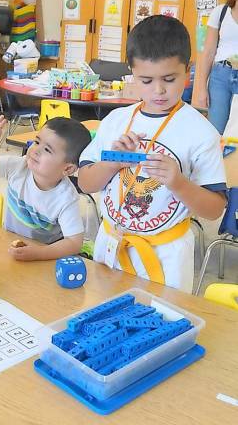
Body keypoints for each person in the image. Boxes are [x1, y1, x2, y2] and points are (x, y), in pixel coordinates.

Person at [78, 15, 227, 293]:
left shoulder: (201, 132)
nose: (158, 90)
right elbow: (85, 183)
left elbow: (215, 209)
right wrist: (112, 164)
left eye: (169, 79)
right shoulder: (116, 121)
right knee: (102, 316)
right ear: (132, 73)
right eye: (146, 80)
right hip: (111, 245)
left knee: (161, 325)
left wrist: (178, 182)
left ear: (187, 71)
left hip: (164, 255)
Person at [0, 116, 91, 261]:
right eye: (37, 141)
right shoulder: (17, 167)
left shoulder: (66, 198)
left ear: (68, 168)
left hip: (44, 257)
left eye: (47, 149)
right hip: (10, 245)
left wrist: (38, 253)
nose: (35, 150)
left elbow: (74, 243)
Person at [198, 0, 238, 134]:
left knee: (235, 133)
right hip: (220, 76)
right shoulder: (220, 12)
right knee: (215, 131)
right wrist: (202, 88)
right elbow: (208, 52)